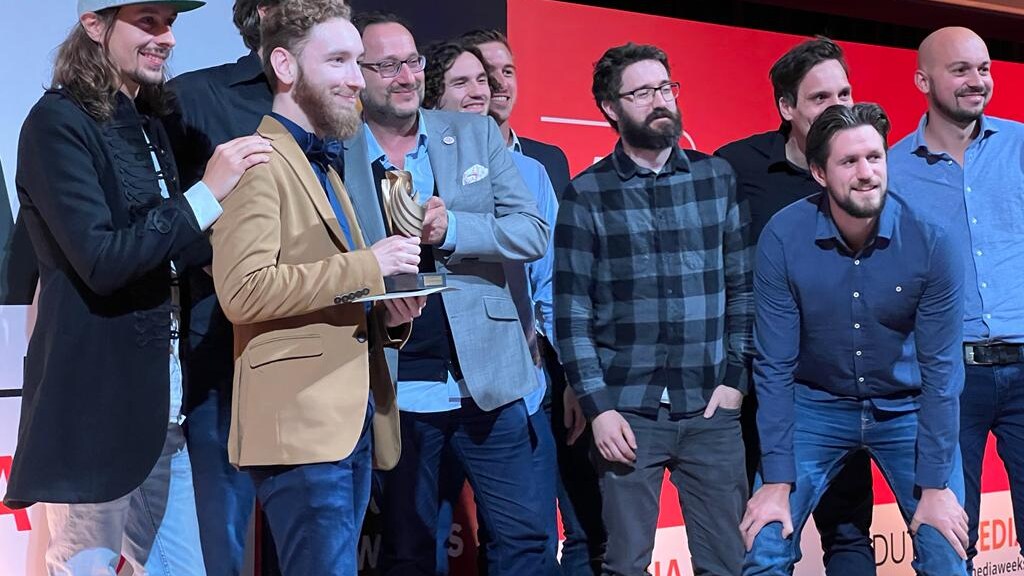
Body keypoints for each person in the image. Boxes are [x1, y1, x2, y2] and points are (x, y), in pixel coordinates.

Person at [3, 0, 271, 573]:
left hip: (162, 401)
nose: (166, 37)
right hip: (95, 401)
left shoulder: (149, 120)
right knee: (87, 564)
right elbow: (102, 260)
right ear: (94, 25)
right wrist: (206, 195)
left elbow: (174, 250)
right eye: (148, 21)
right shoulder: (56, 123)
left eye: (169, 22)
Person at [208, 1, 423, 573]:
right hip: (300, 427)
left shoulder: (323, 164)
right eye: (338, 61)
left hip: (349, 420)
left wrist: (388, 315)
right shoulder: (256, 162)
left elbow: (334, 290)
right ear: (284, 64)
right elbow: (243, 291)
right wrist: (368, 265)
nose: (357, 79)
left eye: (357, 62)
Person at [342, 12, 551, 576]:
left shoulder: (474, 134)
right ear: (359, 74)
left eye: (411, 61)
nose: (405, 76)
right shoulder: (336, 151)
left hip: (490, 382)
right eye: (387, 65)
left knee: (525, 540)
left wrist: (454, 228)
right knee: (408, 550)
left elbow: (532, 232)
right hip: (398, 387)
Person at [741, 103, 969, 575]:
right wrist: (776, 481)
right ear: (819, 173)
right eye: (849, 161)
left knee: (945, 547)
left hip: (907, 407)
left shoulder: (931, 240)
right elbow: (774, 365)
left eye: (874, 157)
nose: (866, 173)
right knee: (765, 541)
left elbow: (942, 371)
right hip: (815, 406)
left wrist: (934, 487)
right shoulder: (783, 236)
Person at [555, 42, 752, 576]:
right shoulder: (586, 193)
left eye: (665, 87)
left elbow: (743, 289)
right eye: (642, 92)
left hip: (710, 408)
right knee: (624, 565)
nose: (660, 100)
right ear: (611, 108)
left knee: (728, 564)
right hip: (627, 411)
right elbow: (572, 315)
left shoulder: (716, 178)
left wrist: (735, 381)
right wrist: (599, 408)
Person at [714, 37, 875, 575]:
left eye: (844, 94)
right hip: (763, 383)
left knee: (849, 532)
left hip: (843, 382)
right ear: (787, 107)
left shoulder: (864, 169)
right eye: (820, 97)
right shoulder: (737, 166)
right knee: (760, 531)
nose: (838, 107)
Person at [460, 29, 604, 575]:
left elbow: (555, 276)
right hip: (471, 376)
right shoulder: (429, 161)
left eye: (506, 71)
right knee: (511, 533)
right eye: (482, 74)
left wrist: (572, 373)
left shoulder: (543, 163)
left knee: (576, 527)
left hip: (545, 369)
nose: (496, 84)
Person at [422, 40, 562, 575]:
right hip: (421, 382)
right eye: (463, 82)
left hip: (509, 382)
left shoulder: (531, 171)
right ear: (431, 94)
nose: (483, 90)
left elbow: (544, 270)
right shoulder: (400, 160)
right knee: (418, 542)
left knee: (525, 539)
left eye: (487, 78)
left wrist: (551, 365)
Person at [888, 26, 1024, 571]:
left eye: (984, 68)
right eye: (960, 69)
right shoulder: (892, 170)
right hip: (948, 379)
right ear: (923, 81)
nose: (977, 81)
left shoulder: (1020, 146)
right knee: (946, 543)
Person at [164, 1, 280, 572]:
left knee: (314, 536)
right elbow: (165, 226)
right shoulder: (190, 97)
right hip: (222, 347)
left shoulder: (339, 105)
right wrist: (232, 263)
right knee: (219, 538)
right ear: (266, 12)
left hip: (322, 351)